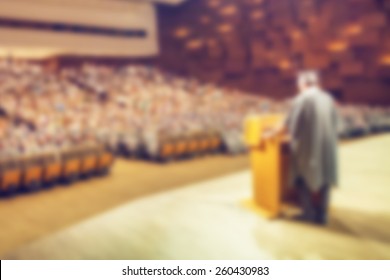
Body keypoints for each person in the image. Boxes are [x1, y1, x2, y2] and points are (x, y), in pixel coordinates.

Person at [264, 70, 338, 225]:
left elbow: (291, 124)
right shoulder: (328, 98)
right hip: (326, 146)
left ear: (303, 84)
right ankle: (322, 215)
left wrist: (272, 132)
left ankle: (309, 213)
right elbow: (335, 123)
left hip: (308, 147)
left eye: (299, 84)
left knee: (301, 178)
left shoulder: (302, 99)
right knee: (324, 178)